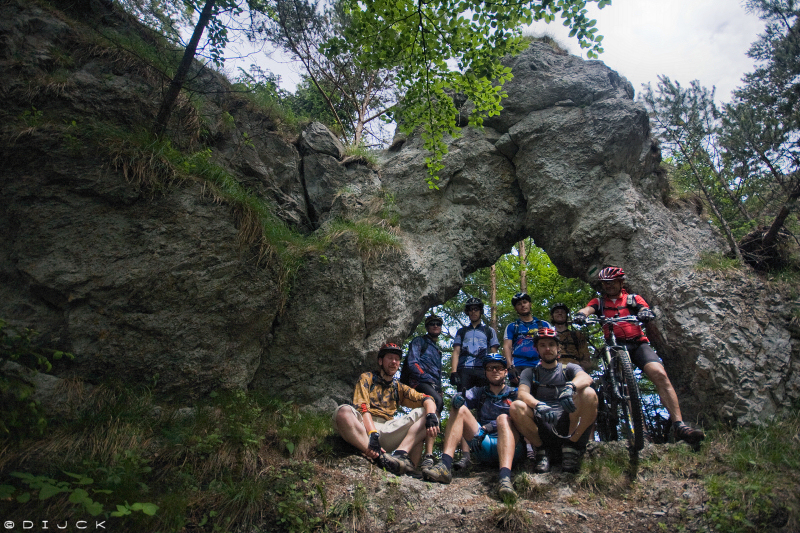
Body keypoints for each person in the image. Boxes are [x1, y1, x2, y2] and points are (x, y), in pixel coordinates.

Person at [572, 266, 705, 445]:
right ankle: (641, 430)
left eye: (612, 282)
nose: (608, 286)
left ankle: (679, 425)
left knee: (660, 374)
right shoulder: (600, 302)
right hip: (615, 346)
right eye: (605, 283)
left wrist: (644, 312)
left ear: (621, 282)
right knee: (625, 387)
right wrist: (581, 315)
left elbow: (643, 307)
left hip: (638, 344)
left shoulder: (632, 298)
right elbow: (588, 309)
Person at [422, 353, 525, 502]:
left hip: (512, 446)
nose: (494, 370)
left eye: (498, 367)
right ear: (485, 372)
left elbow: (520, 418)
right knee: (460, 409)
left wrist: (488, 427)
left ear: (505, 371)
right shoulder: (480, 392)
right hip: (484, 445)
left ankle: (505, 479)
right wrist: (457, 399)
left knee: (503, 418)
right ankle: (445, 465)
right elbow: (461, 397)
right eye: (490, 368)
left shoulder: (514, 393)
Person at [332, 342, 440, 475]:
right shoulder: (367, 378)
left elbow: (427, 399)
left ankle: (400, 456)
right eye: (390, 358)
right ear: (380, 361)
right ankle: (379, 457)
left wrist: (431, 416)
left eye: (397, 359)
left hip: (387, 429)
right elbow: (362, 407)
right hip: (364, 428)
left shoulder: (398, 387)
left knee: (429, 412)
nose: (394, 362)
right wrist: (372, 433)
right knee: (343, 412)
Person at [510, 327, 598, 473]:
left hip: (570, 424)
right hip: (544, 425)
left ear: (558, 348)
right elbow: (522, 393)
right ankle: (542, 451)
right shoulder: (530, 372)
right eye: (542, 345)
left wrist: (570, 387)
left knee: (589, 393)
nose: (547, 349)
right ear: (537, 349)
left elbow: (586, 378)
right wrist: (538, 405)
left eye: (551, 345)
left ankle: (571, 447)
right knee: (516, 406)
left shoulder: (569, 368)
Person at [449, 297, 501, 471]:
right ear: (467, 312)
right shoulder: (462, 331)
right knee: (462, 407)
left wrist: (493, 370)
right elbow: (456, 351)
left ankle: (485, 450)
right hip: (465, 370)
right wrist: (453, 371)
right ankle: (466, 455)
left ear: (481, 311)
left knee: (484, 408)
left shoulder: (488, 331)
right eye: (470, 309)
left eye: (476, 309)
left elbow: (494, 352)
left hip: (483, 370)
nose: (473, 312)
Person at [403, 314, 445, 470]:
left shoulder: (437, 350)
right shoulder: (419, 341)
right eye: (432, 323)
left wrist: (438, 387)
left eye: (438, 324)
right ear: (427, 327)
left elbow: (438, 374)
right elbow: (412, 362)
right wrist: (427, 379)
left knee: (423, 418)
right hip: (419, 383)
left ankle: (413, 465)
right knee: (436, 405)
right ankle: (428, 455)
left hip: (432, 385)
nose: (435, 326)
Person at [503, 292, 551, 386]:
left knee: (542, 393)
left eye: (525, 302)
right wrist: (510, 367)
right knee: (519, 393)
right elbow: (507, 347)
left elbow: (552, 344)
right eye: (519, 304)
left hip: (540, 364)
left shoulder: (544, 324)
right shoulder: (512, 326)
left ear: (530, 304)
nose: (522, 305)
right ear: (515, 308)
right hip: (518, 365)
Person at [549, 303, 593, 373]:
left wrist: (581, 371)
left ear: (566, 316)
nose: (560, 313)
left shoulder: (577, 335)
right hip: (554, 370)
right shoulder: (549, 337)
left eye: (563, 312)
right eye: (557, 312)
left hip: (574, 368)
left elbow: (586, 357)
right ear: (552, 316)